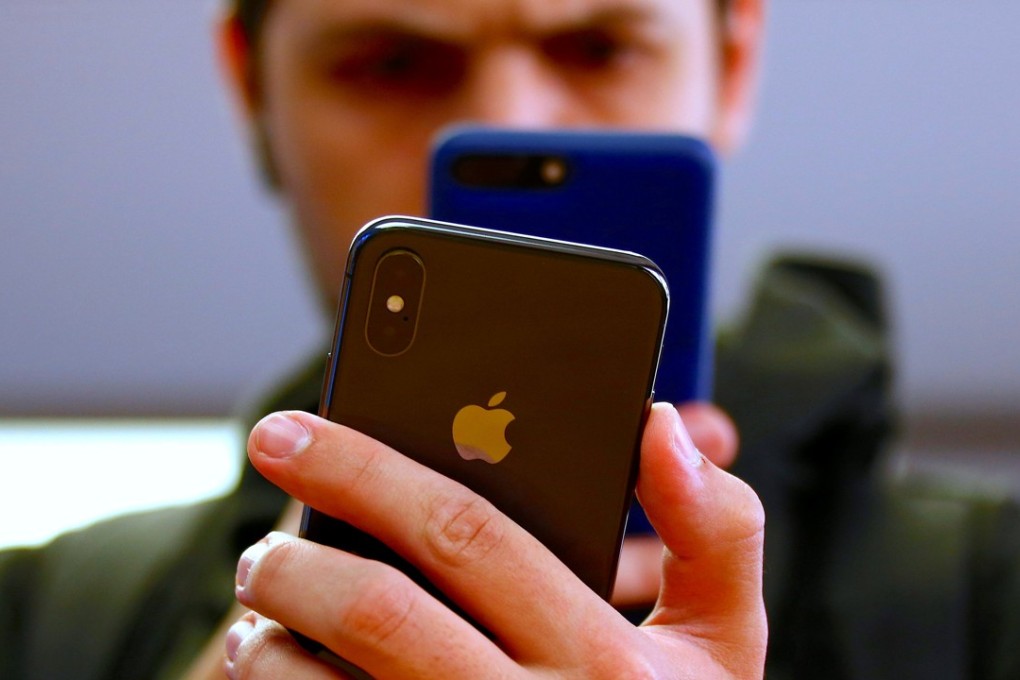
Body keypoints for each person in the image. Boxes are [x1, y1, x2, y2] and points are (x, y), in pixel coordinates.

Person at [1, 0, 1017, 678]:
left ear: (733, 64)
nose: (508, 117)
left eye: (597, 48)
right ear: (252, 91)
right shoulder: (43, 618)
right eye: (391, 62)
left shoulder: (994, 597)